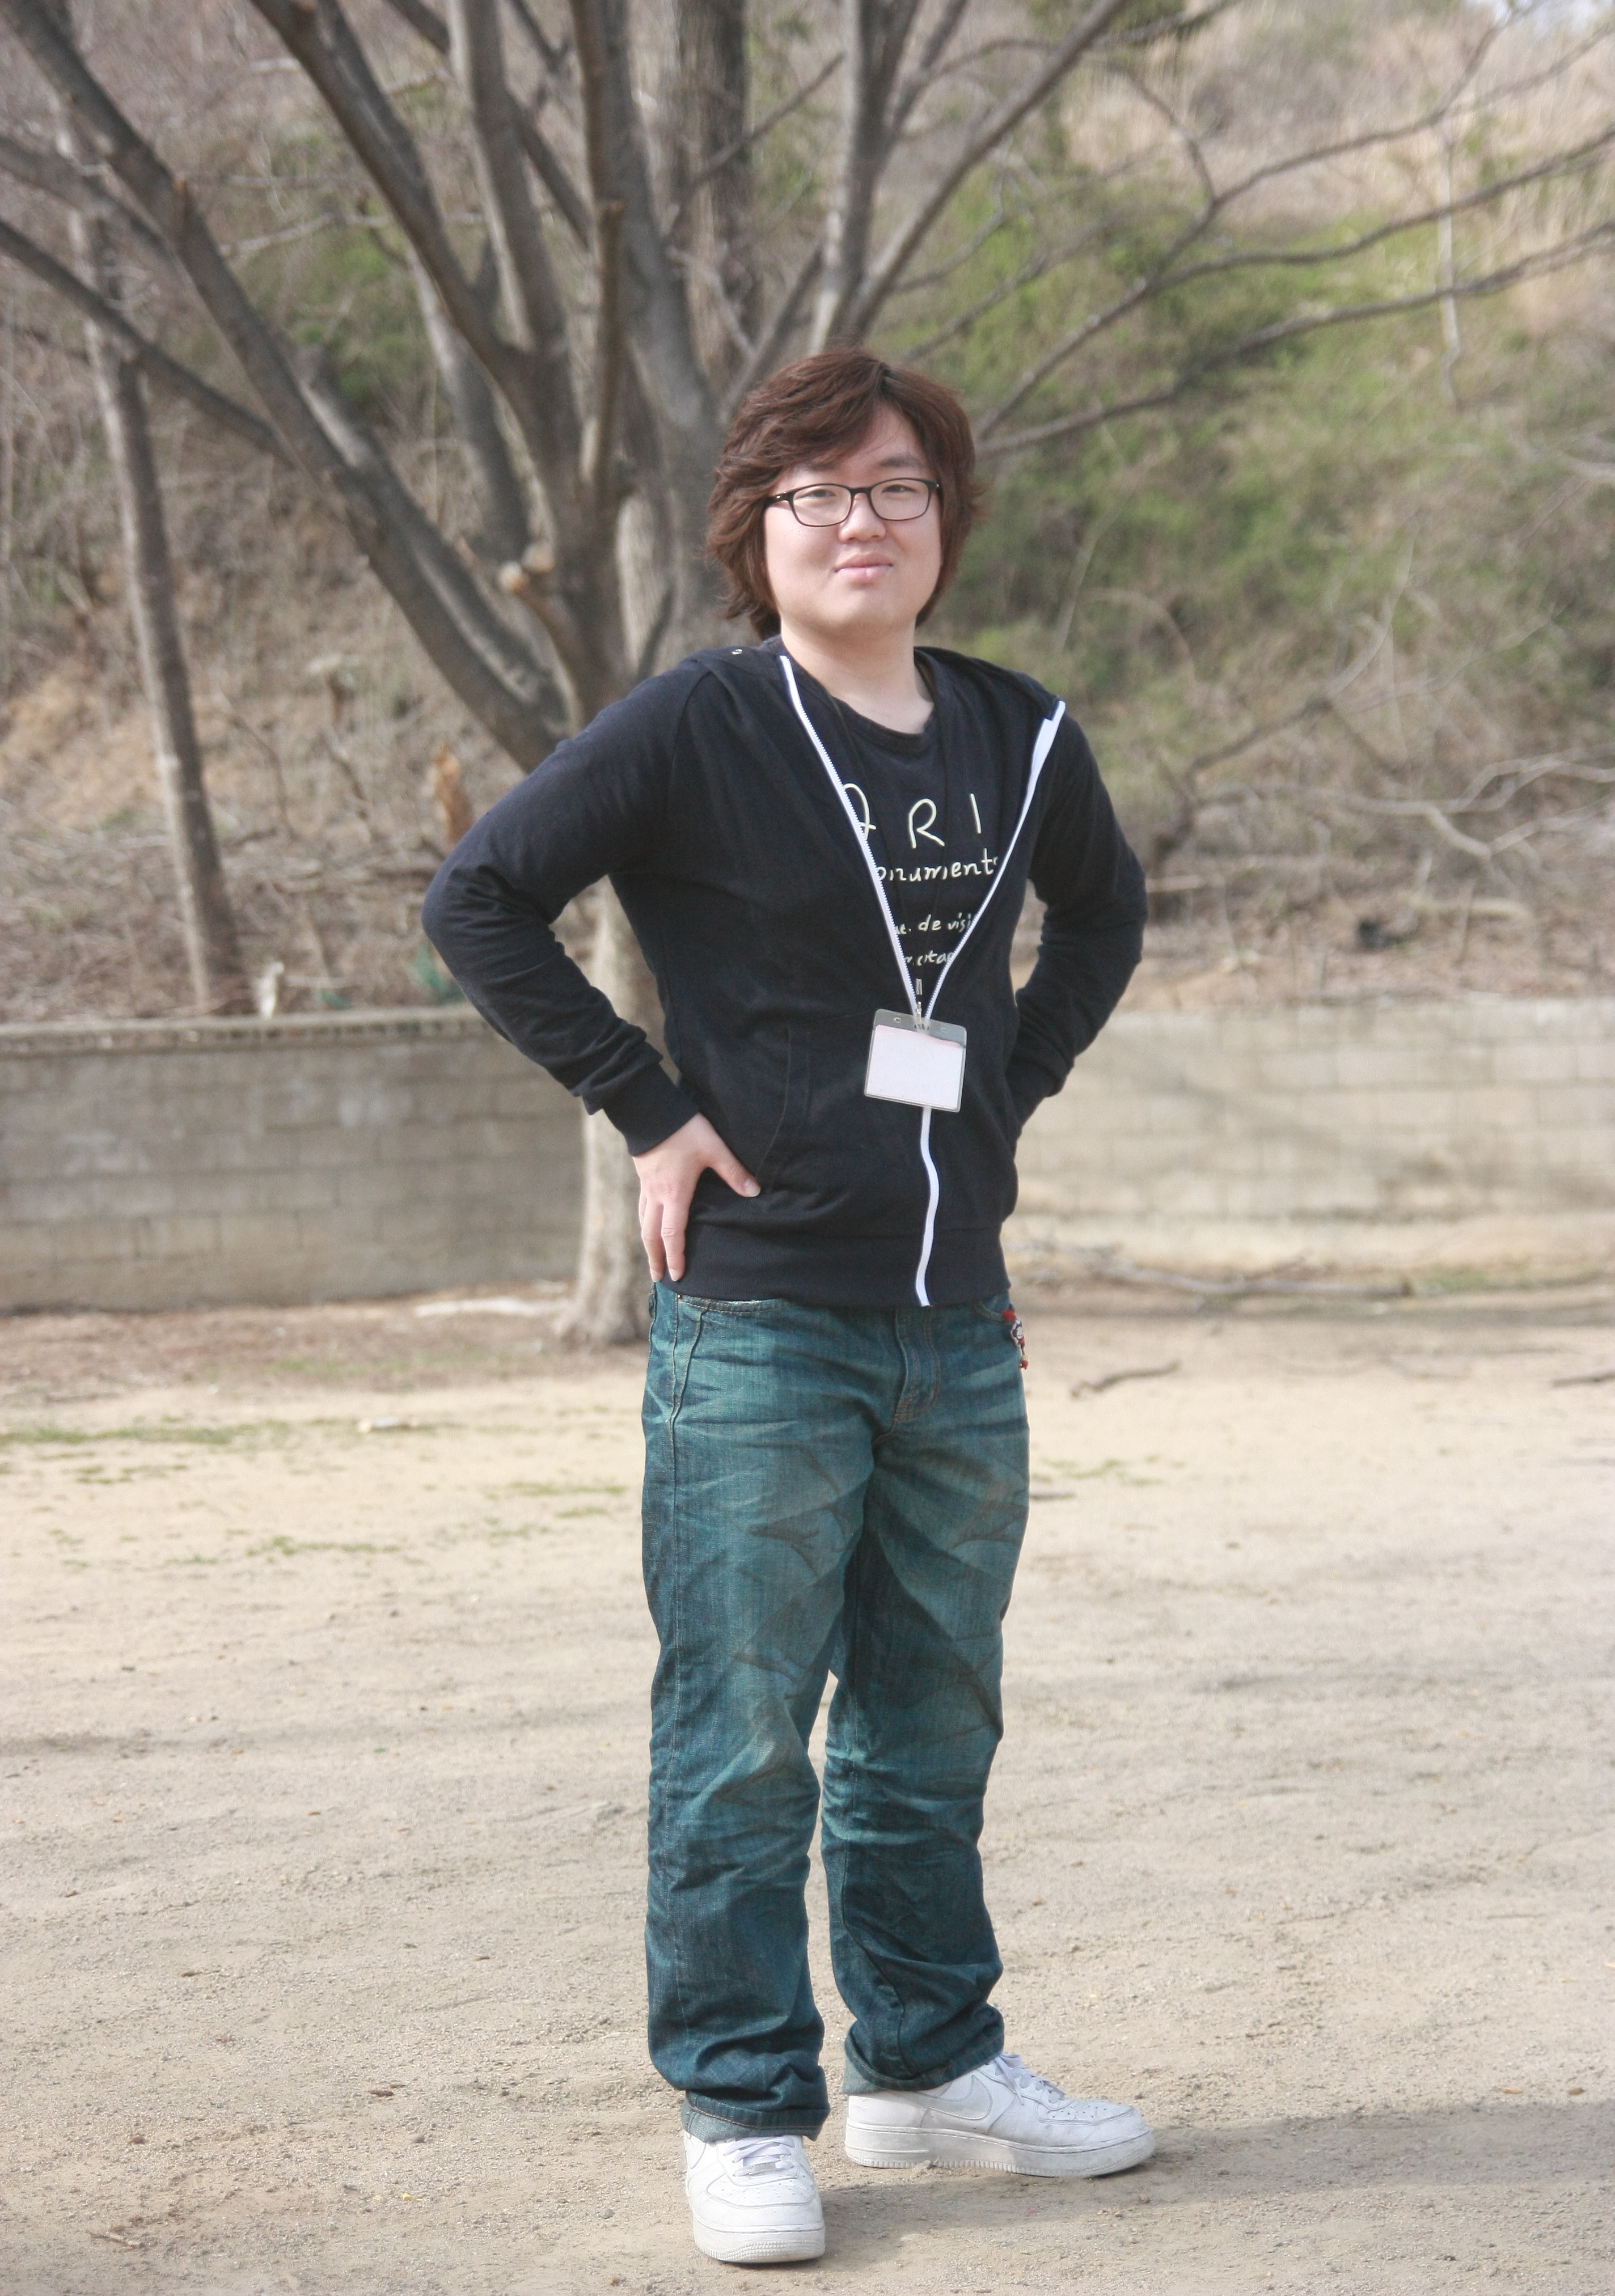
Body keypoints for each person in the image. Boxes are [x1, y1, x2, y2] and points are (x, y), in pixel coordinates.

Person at [422, 349, 1152, 2268]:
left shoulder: (1019, 733)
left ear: (945, 520)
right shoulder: (700, 723)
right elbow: (479, 898)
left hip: (956, 1325)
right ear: (758, 530)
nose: (861, 523)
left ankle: (930, 2067)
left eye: (898, 488)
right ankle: (746, 2109)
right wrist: (649, 1106)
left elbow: (1107, 916)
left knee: (930, 1722)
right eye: (818, 494)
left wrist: (1005, 1091)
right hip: (759, 1323)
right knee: (744, 1738)